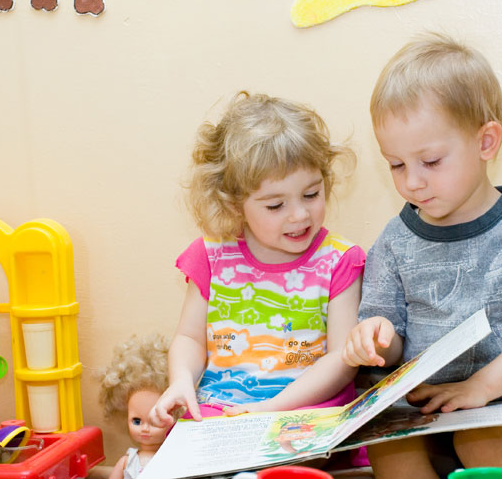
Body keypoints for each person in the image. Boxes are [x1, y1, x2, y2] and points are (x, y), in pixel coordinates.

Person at [341, 32, 502, 479]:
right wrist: (376, 336)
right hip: (425, 412)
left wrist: (481, 388)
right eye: (396, 164)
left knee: (479, 437)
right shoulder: (393, 242)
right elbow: (392, 344)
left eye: (430, 161)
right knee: (387, 447)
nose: (412, 182)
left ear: (486, 142)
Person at [149, 91, 365, 427]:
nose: (299, 215)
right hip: (223, 412)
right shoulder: (212, 256)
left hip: (306, 411)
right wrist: (180, 381)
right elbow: (190, 338)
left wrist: (273, 408)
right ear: (234, 204)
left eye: (311, 194)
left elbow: (343, 357)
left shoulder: (339, 261)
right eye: (275, 205)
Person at [98, 333, 173, 479]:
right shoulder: (127, 462)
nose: (145, 428)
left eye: (154, 421)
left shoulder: (171, 459)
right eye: (137, 421)